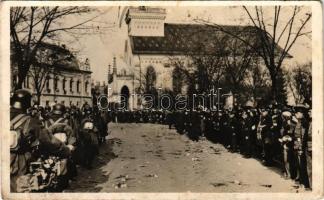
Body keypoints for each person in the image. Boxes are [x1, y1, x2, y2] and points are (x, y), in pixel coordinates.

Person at [10, 89, 72, 192]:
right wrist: (66, 150)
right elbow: (49, 141)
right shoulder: (30, 121)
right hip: (18, 164)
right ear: (27, 103)